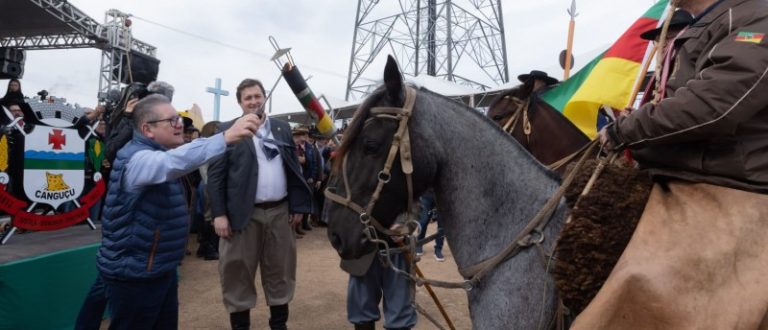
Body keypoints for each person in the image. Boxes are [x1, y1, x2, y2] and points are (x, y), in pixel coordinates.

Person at [580, 0, 768, 328]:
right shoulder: (711, 22)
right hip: (684, 170)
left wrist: (626, 130)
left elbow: (716, 106)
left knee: (639, 280)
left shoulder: (757, 16)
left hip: (732, 180)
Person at [91, 94, 260, 329]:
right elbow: (173, 163)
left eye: (178, 118)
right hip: (136, 276)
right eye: (171, 120)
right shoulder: (136, 159)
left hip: (158, 269)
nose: (180, 124)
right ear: (147, 129)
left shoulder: (158, 152)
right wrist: (225, 137)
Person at [207, 78, 312, 330]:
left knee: (280, 271)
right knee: (237, 272)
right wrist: (219, 214)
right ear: (240, 103)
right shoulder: (227, 129)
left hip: (279, 212)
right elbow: (216, 176)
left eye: (257, 96)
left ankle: (279, 325)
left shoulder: (281, 128)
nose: (254, 101)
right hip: (241, 216)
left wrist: (297, 206)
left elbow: (293, 169)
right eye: (248, 98)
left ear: (265, 97)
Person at [342, 221, 417, 330]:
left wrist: (405, 227)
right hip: (360, 251)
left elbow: (416, 206)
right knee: (361, 310)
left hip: (397, 251)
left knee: (400, 314)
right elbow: (336, 208)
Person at [414, 190, 445, 262]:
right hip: (427, 194)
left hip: (442, 195)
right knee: (423, 221)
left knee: (442, 224)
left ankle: (438, 249)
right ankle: (419, 243)